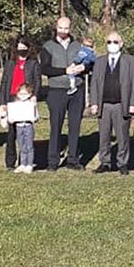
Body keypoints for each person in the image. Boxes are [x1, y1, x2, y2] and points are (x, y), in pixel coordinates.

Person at [88, 31, 134, 175]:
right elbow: (94, 83)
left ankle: (122, 163)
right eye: (109, 42)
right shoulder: (99, 61)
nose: (112, 45)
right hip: (104, 105)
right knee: (104, 136)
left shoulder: (130, 61)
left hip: (121, 104)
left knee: (122, 136)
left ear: (121, 44)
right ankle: (105, 162)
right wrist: (94, 102)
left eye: (115, 42)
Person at [40, 17, 87, 171]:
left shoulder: (78, 46)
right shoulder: (48, 46)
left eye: (66, 28)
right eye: (60, 28)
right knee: (56, 126)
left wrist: (84, 68)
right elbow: (44, 69)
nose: (63, 31)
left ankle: (73, 160)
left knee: (75, 125)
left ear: (70, 28)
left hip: (77, 89)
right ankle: (53, 161)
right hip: (57, 90)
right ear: (56, 27)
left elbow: (89, 63)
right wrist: (64, 71)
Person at [0, 36, 41, 171]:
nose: (22, 49)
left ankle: (27, 161)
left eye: (24, 47)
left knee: (26, 131)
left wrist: (34, 96)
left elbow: (37, 81)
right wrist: (2, 102)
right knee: (11, 133)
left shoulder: (33, 63)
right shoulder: (10, 63)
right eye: (19, 47)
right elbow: (4, 82)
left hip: (26, 99)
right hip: (12, 99)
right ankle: (10, 162)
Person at [0, 82, 39, 173]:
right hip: (19, 126)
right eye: (21, 94)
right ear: (17, 94)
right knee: (21, 146)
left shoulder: (31, 104)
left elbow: (36, 117)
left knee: (29, 146)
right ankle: (22, 163)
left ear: (30, 94)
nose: (23, 96)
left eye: (25, 94)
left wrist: (33, 113)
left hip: (28, 126)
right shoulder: (15, 104)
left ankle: (29, 164)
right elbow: (11, 117)